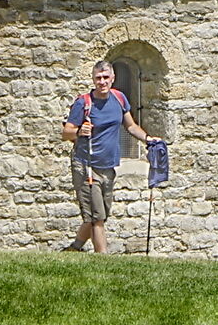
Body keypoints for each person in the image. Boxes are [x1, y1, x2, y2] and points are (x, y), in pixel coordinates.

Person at [61, 59, 156, 253]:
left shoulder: (119, 99)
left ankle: (74, 249)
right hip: (86, 165)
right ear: (93, 79)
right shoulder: (83, 103)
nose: (102, 82)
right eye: (98, 78)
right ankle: (103, 259)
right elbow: (66, 133)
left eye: (105, 77)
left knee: (99, 214)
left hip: (108, 166)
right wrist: (79, 131)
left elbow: (131, 126)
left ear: (113, 78)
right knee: (97, 218)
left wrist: (148, 139)